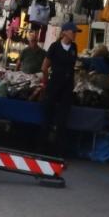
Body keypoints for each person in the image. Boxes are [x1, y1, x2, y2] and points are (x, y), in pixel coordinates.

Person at [41, 22, 79, 156]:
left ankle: (59, 149)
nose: (74, 34)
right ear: (65, 32)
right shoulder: (55, 47)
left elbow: (73, 67)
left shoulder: (74, 47)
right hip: (55, 83)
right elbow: (44, 66)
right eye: (72, 32)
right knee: (48, 114)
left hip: (67, 85)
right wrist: (45, 82)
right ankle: (43, 147)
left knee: (63, 118)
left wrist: (73, 83)